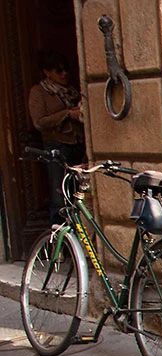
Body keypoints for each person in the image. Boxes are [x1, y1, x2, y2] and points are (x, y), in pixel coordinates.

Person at [28, 50, 85, 225]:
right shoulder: (39, 92)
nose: (64, 74)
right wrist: (67, 114)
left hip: (78, 145)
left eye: (65, 69)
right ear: (46, 72)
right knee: (59, 195)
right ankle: (58, 240)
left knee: (79, 194)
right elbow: (39, 122)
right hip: (57, 147)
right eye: (58, 70)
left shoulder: (72, 90)